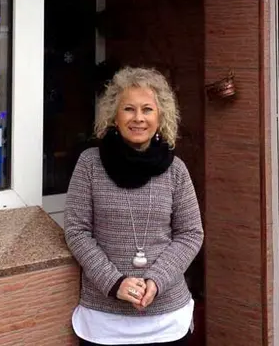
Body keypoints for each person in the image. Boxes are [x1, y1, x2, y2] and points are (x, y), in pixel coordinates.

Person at [64, 66, 204, 346]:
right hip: (104, 321)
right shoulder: (90, 164)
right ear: (114, 116)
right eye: (129, 109)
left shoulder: (176, 170)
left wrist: (156, 280)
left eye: (147, 110)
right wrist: (115, 283)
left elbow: (190, 234)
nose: (138, 118)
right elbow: (77, 232)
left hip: (166, 320)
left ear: (160, 116)